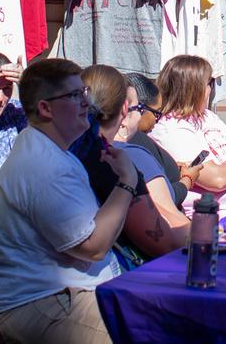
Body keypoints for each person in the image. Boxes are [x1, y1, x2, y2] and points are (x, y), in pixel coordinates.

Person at [0, 58, 140, 344]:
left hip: (63, 295)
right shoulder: (43, 166)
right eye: (74, 96)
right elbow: (93, 246)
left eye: (85, 94)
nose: (86, 103)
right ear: (46, 109)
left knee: (166, 323)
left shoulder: (53, 153)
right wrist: (127, 182)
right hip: (36, 306)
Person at [80, 65, 190, 260]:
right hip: (117, 279)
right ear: (124, 109)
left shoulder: (64, 150)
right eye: (139, 108)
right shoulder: (123, 157)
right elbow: (166, 240)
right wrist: (206, 229)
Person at [150, 54, 226, 217]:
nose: (212, 89)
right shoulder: (170, 128)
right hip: (217, 219)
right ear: (193, 89)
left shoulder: (207, 116)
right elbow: (217, 180)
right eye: (210, 83)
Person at [122, 72, 188, 206]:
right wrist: (187, 181)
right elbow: (161, 199)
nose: (158, 120)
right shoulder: (133, 142)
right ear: (138, 107)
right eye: (156, 113)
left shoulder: (133, 140)